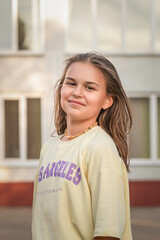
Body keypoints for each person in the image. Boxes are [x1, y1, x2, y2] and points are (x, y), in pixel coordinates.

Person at [32, 52, 133, 240]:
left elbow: (108, 231)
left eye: (90, 87)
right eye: (71, 83)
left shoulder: (100, 147)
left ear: (107, 100)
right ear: (61, 87)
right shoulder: (49, 147)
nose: (77, 92)